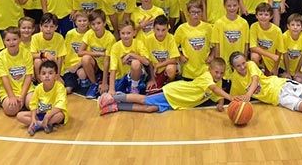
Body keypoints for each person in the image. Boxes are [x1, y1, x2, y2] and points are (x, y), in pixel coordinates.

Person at [97, 58, 233, 115]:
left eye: (221, 73)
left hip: (177, 102)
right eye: (217, 72)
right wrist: (231, 98)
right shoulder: (207, 77)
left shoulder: (218, 82)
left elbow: (217, 94)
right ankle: (112, 97)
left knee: (150, 109)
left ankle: (116, 106)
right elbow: (215, 90)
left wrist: (220, 103)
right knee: (144, 100)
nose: (219, 75)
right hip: (173, 92)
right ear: (210, 70)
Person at [17, 60, 68, 135]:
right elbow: (33, 103)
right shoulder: (38, 88)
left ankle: (37, 125)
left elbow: (60, 104)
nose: (47, 76)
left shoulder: (60, 87)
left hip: (53, 114)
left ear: (56, 76)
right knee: (20, 116)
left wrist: (48, 115)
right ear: (40, 77)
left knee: (60, 115)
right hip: (41, 113)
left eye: (50, 73)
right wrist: (34, 118)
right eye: (44, 73)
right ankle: (44, 124)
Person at [0, 26, 34, 117]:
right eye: (8, 40)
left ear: (20, 39)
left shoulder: (26, 53)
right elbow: (4, 78)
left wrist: (23, 96)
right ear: (4, 42)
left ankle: (26, 108)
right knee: (11, 110)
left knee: (33, 105)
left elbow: (28, 77)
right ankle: (17, 105)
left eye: (14, 39)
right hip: (8, 91)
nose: (11, 42)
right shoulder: (0, 57)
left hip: (26, 89)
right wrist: (12, 96)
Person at [212, 0, 249, 82]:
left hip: (238, 64)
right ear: (224, 6)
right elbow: (217, 45)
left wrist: (244, 60)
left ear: (239, 5)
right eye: (229, 6)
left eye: (234, 5)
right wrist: (218, 63)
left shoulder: (244, 23)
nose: (232, 8)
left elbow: (246, 44)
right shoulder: (219, 23)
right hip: (224, 61)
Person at [78, 9, 116, 99]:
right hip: (96, 64)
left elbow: (107, 60)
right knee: (85, 59)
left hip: (108, 66)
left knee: (107, 87)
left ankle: (102, 80)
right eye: (93, 24)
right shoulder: (89, 34)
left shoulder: (110, 38)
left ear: (104, 23)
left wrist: (104, 83)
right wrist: (96, 53)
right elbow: (80, 52)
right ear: (90, 25)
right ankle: (94, 84)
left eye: (98, 23)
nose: (96, 26)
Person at [174, 0, 215, 80]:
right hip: (188, 70)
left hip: (204, 69)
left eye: (198, 12)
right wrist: (180, 56)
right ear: (188, 13)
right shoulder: (182, 28)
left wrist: (212, 56)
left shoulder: (208, 27)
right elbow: (173, 45)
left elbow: (215, 44)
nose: (196, 15)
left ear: (202, 13)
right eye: (193, 12)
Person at [107, 21, 150, 95]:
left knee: (135, 63)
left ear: (134, 33)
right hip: (121, 77)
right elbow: (113, 69)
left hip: (138, 76)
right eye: (123, 33)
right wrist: (111, 89)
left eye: (128, 33)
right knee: (117, 91)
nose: (125, 36)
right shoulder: (115, 47)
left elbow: (147, 62)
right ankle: (127, 88)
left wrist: (132, 54)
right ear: (119, 34)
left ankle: (134, 86)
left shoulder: (139, 43)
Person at [144, 15, 180, 91]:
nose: (160, 33)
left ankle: (170, 83)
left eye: (163, 30)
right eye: (158, 29)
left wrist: (158, 65)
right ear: (153, 29)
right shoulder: (148, 39)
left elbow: (174, 59)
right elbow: (148, 61)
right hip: (153, 71)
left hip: (166, 69)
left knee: (171, 68)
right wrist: (152, 79)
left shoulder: (171, 38)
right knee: (150, 90)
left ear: (168, 29)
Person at [248, 3, 284, 76]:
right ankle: (258, 74)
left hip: (272, 60)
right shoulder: (254, 26)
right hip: (262, 56)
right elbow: (252, 47)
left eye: (266, 15)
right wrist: (271, 55)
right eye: (260, 14)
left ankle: (267, 72)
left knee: (271, 77)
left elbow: (279, 51)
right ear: (256, 16)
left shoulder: (277, 30)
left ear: (271, 16)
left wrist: (275, 68)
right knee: (254, 57)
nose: (263, 17)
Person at [62, 11, 90, 94]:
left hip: (81, 65)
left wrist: (77, 66)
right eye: (79, 21)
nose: (82, 23)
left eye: (84, 20)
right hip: (69, 66)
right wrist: (65, 66)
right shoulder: (70, 34)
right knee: (68, 90)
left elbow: (89, 54)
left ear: (88, 22)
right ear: (75, 22)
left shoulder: (90, 34)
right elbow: (65, 50)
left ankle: (85, 86)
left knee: (82, 74)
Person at [31, 13, 66, 78]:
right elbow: (32, 55)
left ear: (56, 27)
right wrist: (44, 55)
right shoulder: (35, 37)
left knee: (61, 85)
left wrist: (57, 75)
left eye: (52, 26)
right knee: (37, 61)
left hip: (54, 66)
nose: (48, 29)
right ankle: (40, 82)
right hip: (41, 66)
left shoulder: (59, 37)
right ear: (40, 27)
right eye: (46, 26)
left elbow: (60, 58)